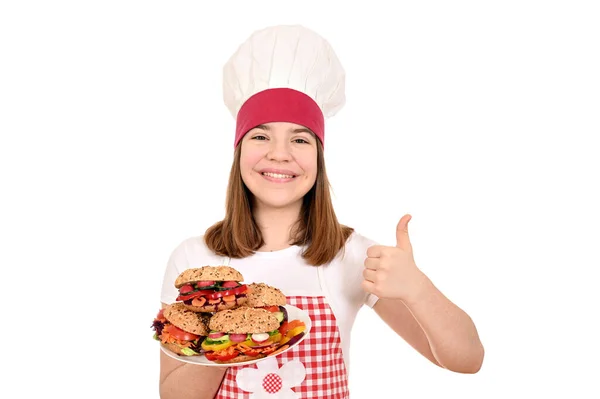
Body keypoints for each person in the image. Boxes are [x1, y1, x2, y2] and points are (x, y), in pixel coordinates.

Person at [157, 24, 485, 399]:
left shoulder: (352, 255)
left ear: (318, 157)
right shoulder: (194, 261)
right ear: (239, 152)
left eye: (299, 138)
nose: (279, 153)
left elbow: (467, 359)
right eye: (260, 136)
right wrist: (223, 327)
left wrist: (418, 289)